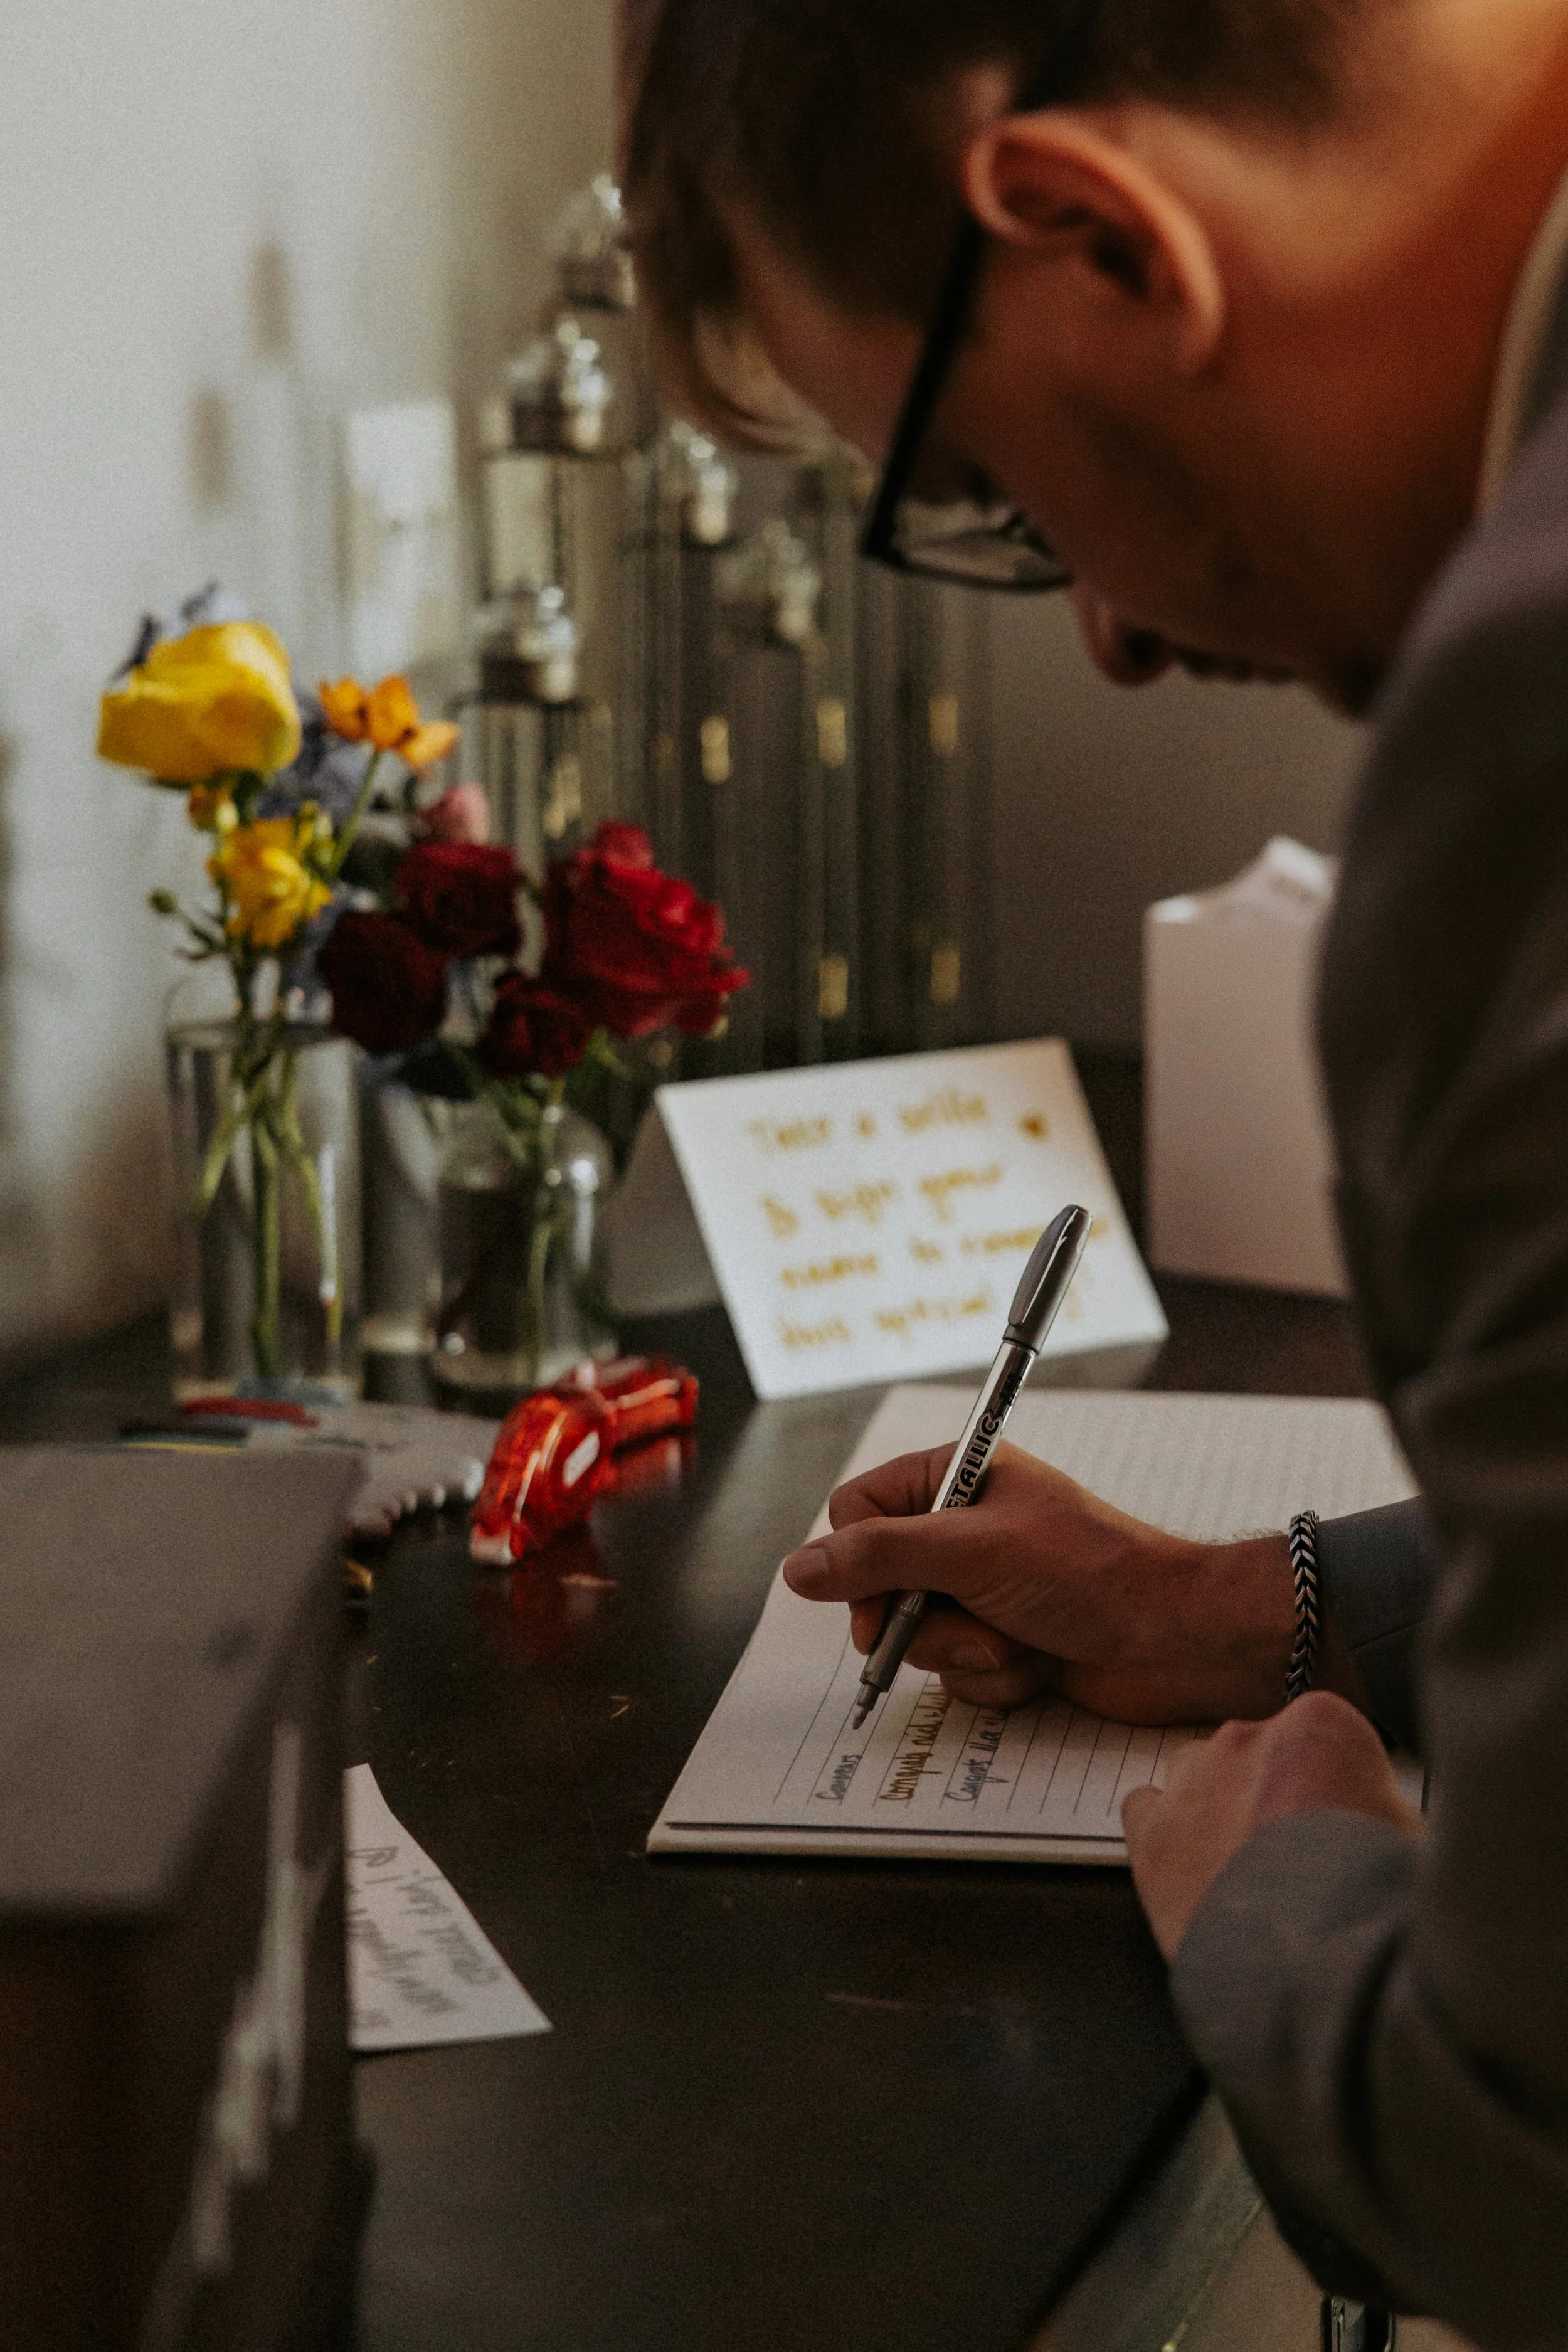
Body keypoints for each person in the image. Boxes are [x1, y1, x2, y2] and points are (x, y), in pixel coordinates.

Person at [618, 2, 1568, 2343]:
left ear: (1098, 234)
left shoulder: (1528, 727)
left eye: (1006, 497)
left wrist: (1276, 1892)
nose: (1114, 636)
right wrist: (1267, 1604)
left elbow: (1520, 2163)